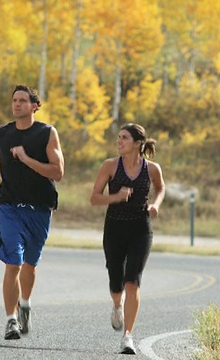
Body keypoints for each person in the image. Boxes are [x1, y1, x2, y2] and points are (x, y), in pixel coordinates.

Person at [0, 84, 64, 340]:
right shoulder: (2, 133)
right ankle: (11, 320)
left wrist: (27, 159)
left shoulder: (47, 133)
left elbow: (58, 172)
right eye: (14, 100)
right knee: (13, 261)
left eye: (23, 101)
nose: (17, 104)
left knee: (30, 263)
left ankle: (24, 302)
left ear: (34, 106)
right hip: (9, 205)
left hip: (39, 207)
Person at [89, 123, 165, 354]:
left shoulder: (151, 169)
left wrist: (156, 204)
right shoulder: (110, 166)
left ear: (137, 143)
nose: (119, 141)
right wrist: (117, 196)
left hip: (141, 229)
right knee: (116, 281)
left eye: (124, 138)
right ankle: (116, 304)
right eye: (119, 137)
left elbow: (161, 188)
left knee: (133, 281)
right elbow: (94, 198)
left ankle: (128, 337)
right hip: (114, 228)